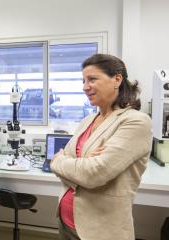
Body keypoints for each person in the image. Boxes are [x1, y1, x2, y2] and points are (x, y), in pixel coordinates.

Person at [50, 53, 152, 240]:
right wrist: (81, 163)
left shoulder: (136, 122)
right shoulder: (88, 120)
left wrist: (60, 161)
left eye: (92, 79)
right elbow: (83, 168)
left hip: (100, 230)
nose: (85, 87)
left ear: (117, 79)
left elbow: (94, 173)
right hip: (66, 222)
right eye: (83, 81)